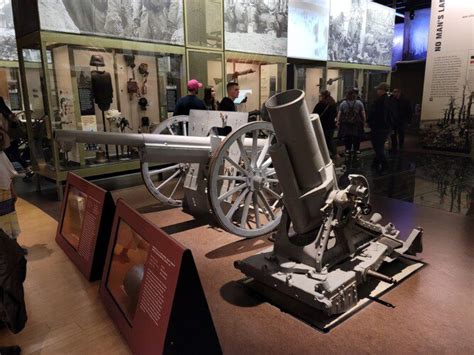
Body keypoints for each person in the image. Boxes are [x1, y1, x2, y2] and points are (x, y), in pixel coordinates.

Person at [0, 98, 33, 178]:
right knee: (15, 155)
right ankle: (27, 169)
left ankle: (10, 174)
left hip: (5, 139)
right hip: (12, 137)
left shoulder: (1, 114)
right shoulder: (8, 113)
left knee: (6, 156)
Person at [368, 82, 397, 172]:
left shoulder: (380, 101)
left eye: (379, 89)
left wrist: (370, 122)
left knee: (378, 146)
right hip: (385, 127)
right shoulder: (390, 101)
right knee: (379, 145)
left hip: (379, 127)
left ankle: (384, 164)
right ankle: (375, 163)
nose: (377, 91)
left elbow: (377, 114)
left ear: (382, 90)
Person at [337, 88, 366, 156]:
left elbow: (340, 113)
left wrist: (338, 121)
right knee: (357, 136)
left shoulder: (343, 103)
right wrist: (364, 121)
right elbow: (363, 113)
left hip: (346, 123)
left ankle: (348, 149)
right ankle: (356, 149)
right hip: (357, 122)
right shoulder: (359, 103)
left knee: (347, 136)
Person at [313, 90, 337, 158]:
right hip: (331, 126)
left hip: (322, 125)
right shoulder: (332, 104)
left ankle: (324, 155)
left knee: (321, 140)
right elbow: (335, 114)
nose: (320, 97)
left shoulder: (320, 104)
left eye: (320, 95)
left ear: (323, 96)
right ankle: (334, 154)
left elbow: (314, 114)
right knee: (329, 140)